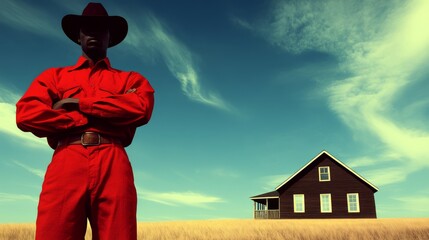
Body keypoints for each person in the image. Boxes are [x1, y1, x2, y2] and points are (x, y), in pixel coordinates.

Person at [16, 3, 154, 239]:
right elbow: (26, 114)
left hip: (113, 160)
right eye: (87, 28)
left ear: (109, 37)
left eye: (100, 29)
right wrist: (91, 116)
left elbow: (140, 108)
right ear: (78, 36)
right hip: (66, 159)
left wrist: (77, 104)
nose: (93, 33)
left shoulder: (131, 79)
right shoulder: (53, 77)